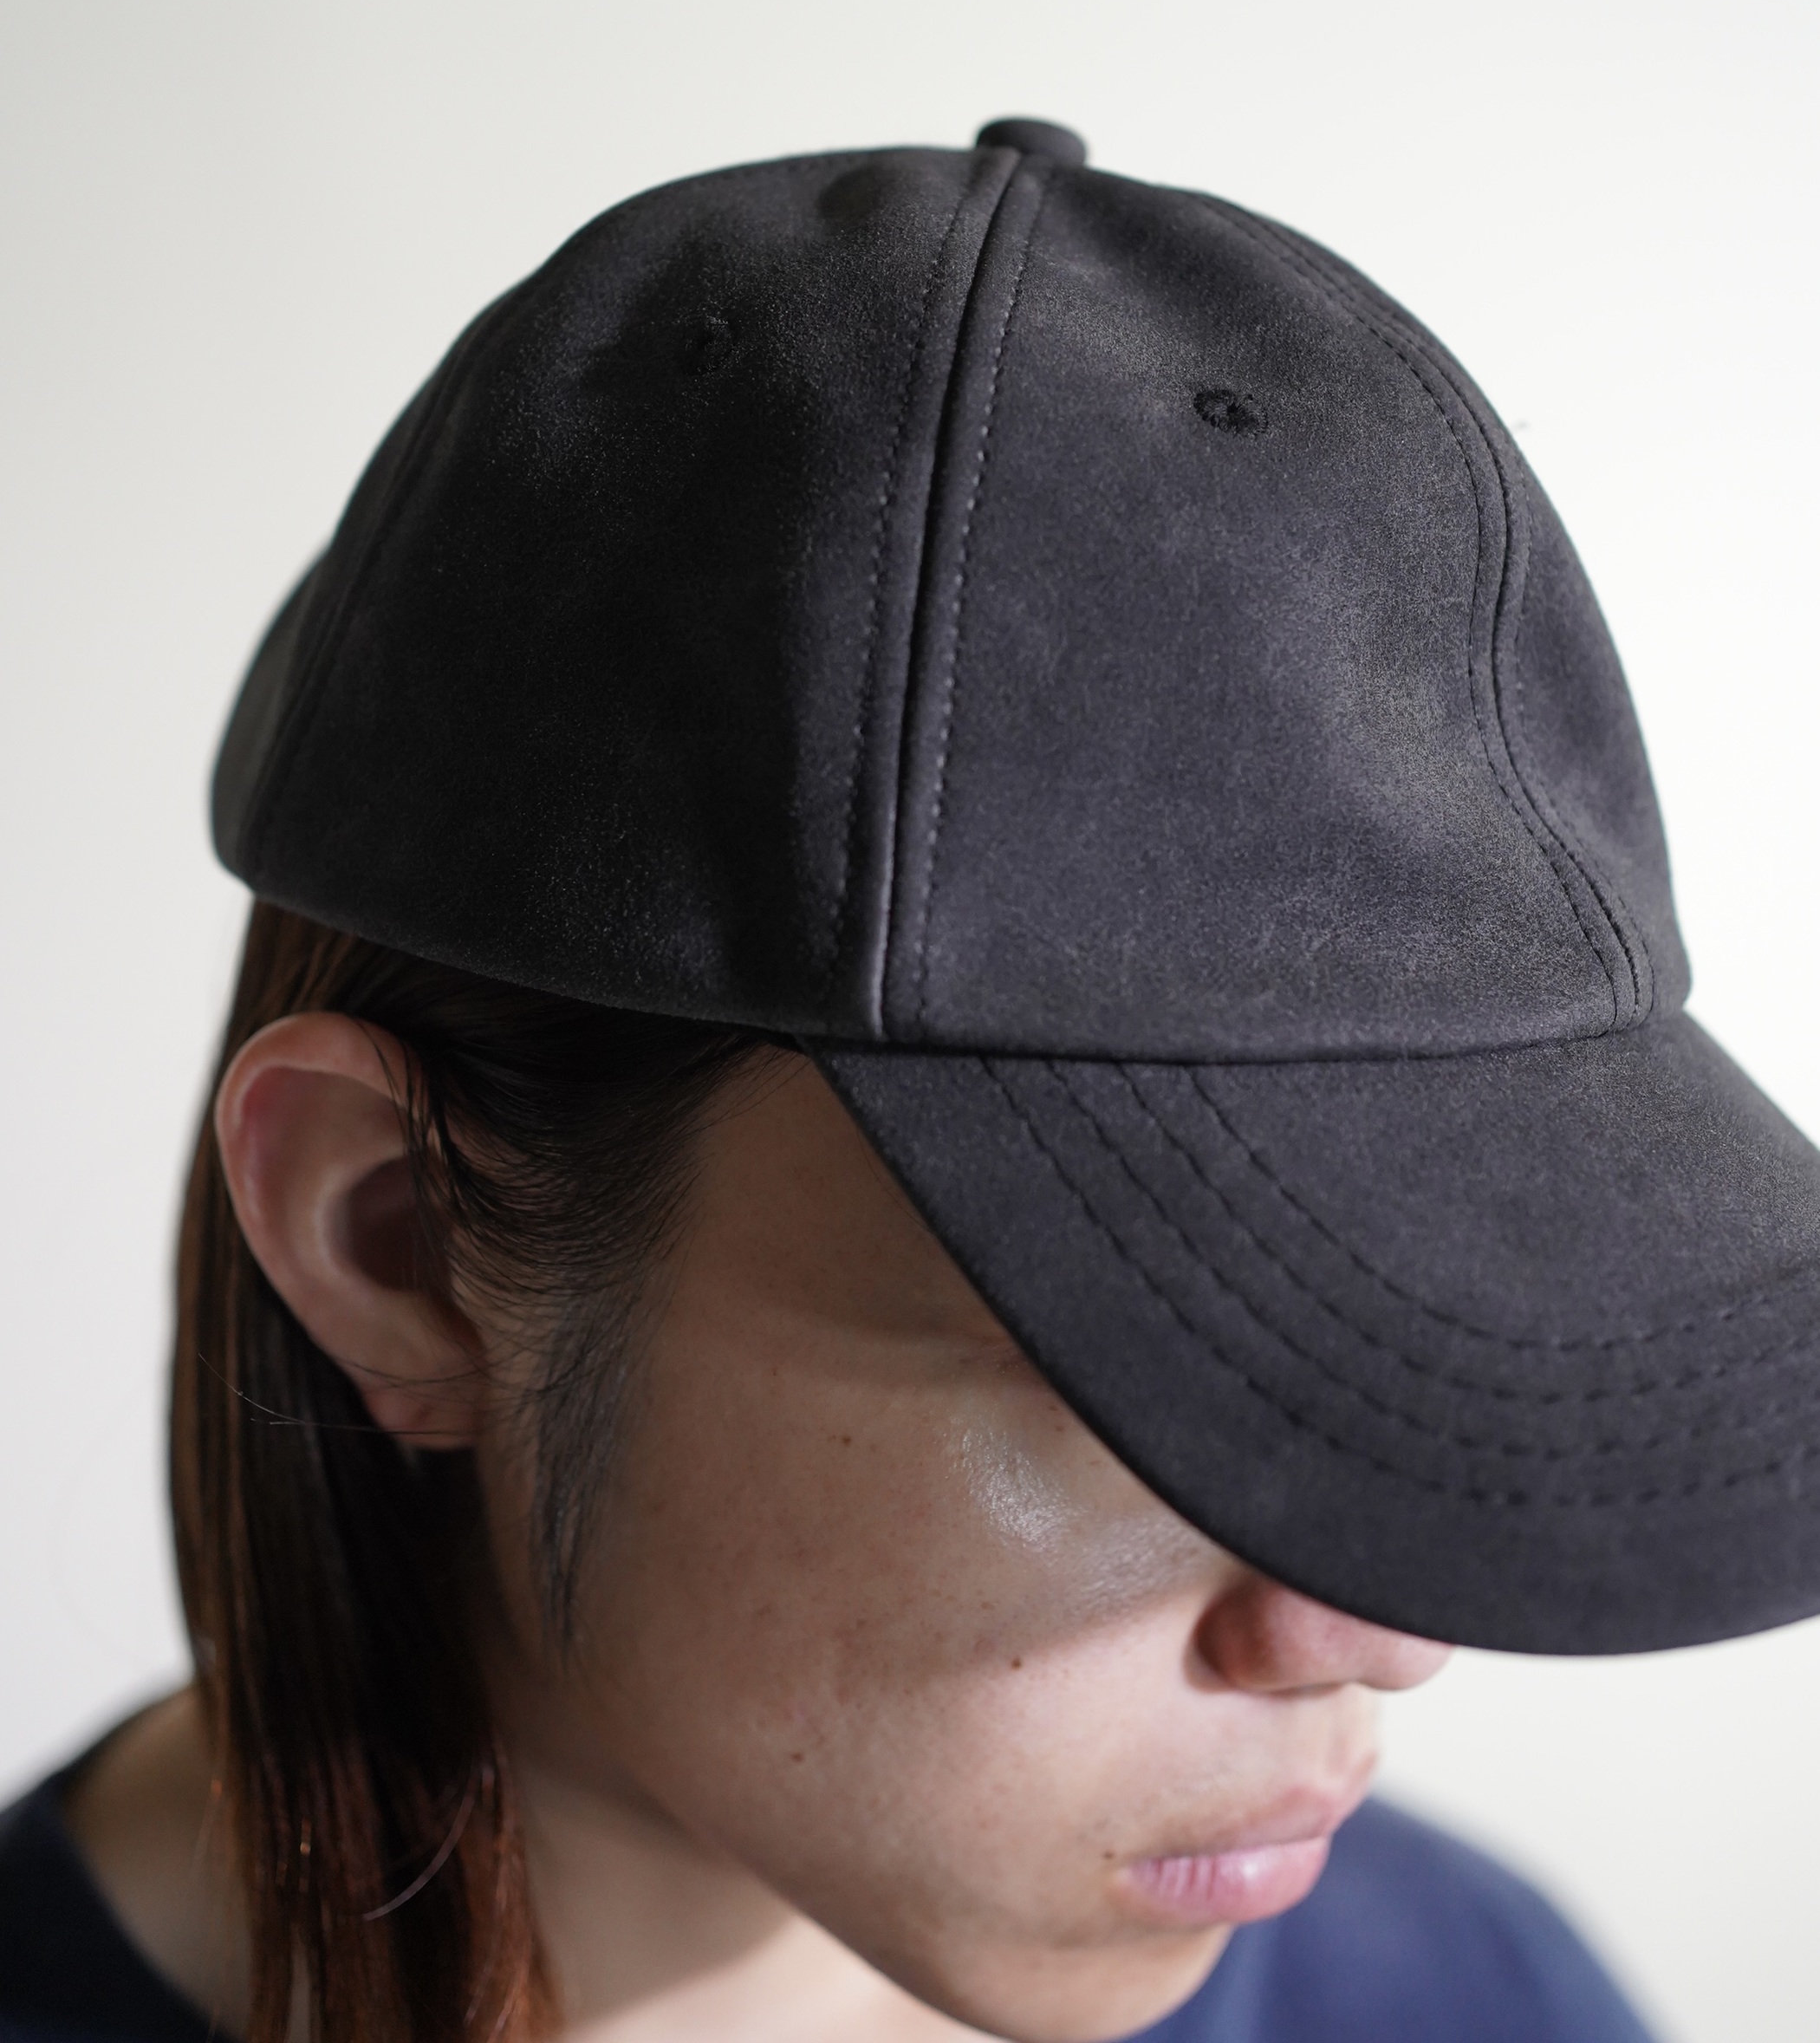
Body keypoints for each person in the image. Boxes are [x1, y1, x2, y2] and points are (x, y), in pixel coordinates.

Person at [5, 117, 1817, 2043]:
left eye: (1430, 1357)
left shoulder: (1470, 1992)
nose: (1377, 1635)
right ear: (401, 1238)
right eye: (1126, 1369)